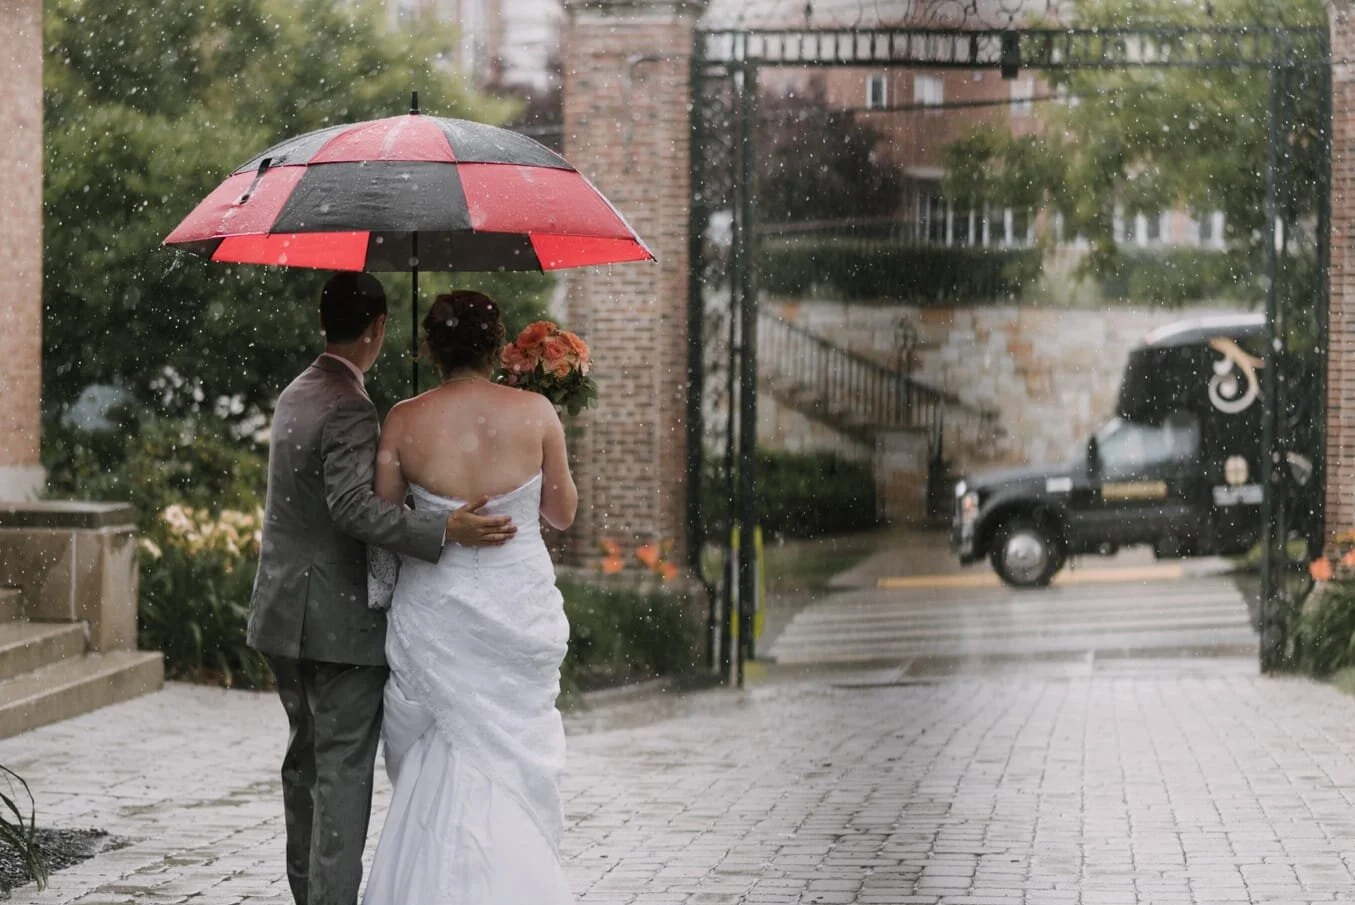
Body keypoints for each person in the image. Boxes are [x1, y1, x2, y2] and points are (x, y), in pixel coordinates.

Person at [246, 273, 518, 905]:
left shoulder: (296, 392)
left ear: (324, 323)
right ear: (377, 328)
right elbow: (351, 510)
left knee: (306, 766)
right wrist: (442, 527)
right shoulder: (348, 405)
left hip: (283, 614)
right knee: (340, 773)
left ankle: (309, 894)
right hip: (337, 625)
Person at [361, 290, 578, 905]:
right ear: (498, 344)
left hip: (437, 607)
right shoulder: (536, 411)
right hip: (518, 603)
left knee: (443, 744)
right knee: (501, 753)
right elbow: (561, 514)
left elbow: (383, 523)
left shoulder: (403, 419)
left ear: (430, 347)